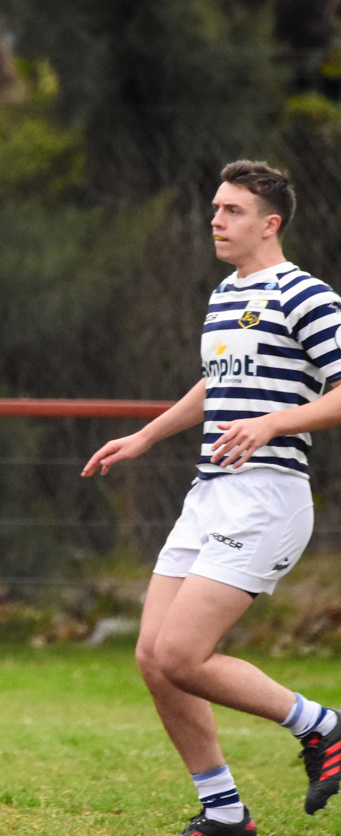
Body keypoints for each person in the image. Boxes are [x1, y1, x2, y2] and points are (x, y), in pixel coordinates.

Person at [83, 160, 341, 836]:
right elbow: (214, 385)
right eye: (215, 210)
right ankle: (224, 809)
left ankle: (322, 726)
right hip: (210, 494)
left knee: (182, 653)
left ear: (269, 222)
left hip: (268, 495)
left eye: (231, 210)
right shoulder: (226, 293)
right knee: (153, 656)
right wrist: (145, 435)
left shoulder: (306, 295)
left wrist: (275, 421)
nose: (216, 221)